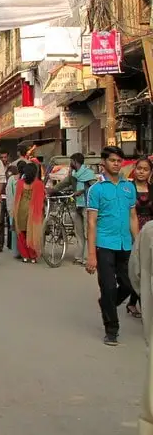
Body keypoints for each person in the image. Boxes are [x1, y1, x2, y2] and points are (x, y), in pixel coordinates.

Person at [85, 146, 139, 346]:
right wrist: (91, 255)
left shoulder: (129, 187)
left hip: (125, 244)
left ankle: (107, 304)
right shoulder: (96, 189)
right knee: (108, 287)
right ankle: (112, 330)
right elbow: (91, 222)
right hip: (104, 245)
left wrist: (138, 242)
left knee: (130, 284)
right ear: (104, 163)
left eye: (119, 161)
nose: (116, 164)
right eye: (113, 160)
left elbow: (133, 216)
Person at [51, 152, 98, 266]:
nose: (70, 164)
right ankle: (79, 257)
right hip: (77, 205)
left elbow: (95, 188)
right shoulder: (73, 175)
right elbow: (64, 183)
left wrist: (83, 191)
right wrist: (51, 190)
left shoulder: (89, 174)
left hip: (88, 205)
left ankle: (90, 258)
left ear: (75, 162)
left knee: (89, 233)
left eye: (71, 161)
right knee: (79, 233)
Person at [127, 157, 153, 318]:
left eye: (145, 169)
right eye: (139, 168)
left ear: (150, 172)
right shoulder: (127, 189)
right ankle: (134, 302)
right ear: (134, 169)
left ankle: (136, 302)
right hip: (131, 232)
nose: (141, 172)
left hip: (150, 233)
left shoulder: (152, 189)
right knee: (136, 269)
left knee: (147, 270)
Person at [14, 162, 45, 263]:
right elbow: (41, 200)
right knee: (32, 233)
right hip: (33, 211)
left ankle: (25, 256)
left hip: (21, 210)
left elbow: (17, 198)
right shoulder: (39, 184)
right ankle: (33, 256)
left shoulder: (20, 183)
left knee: (22, 233)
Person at [5, 162, 22, 259]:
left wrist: (10, 208)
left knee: (15, 230)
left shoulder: (12, 179)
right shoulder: (26, 180)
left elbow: (9, 195)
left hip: (13, 207)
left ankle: (16, 251)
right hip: (20, 208)